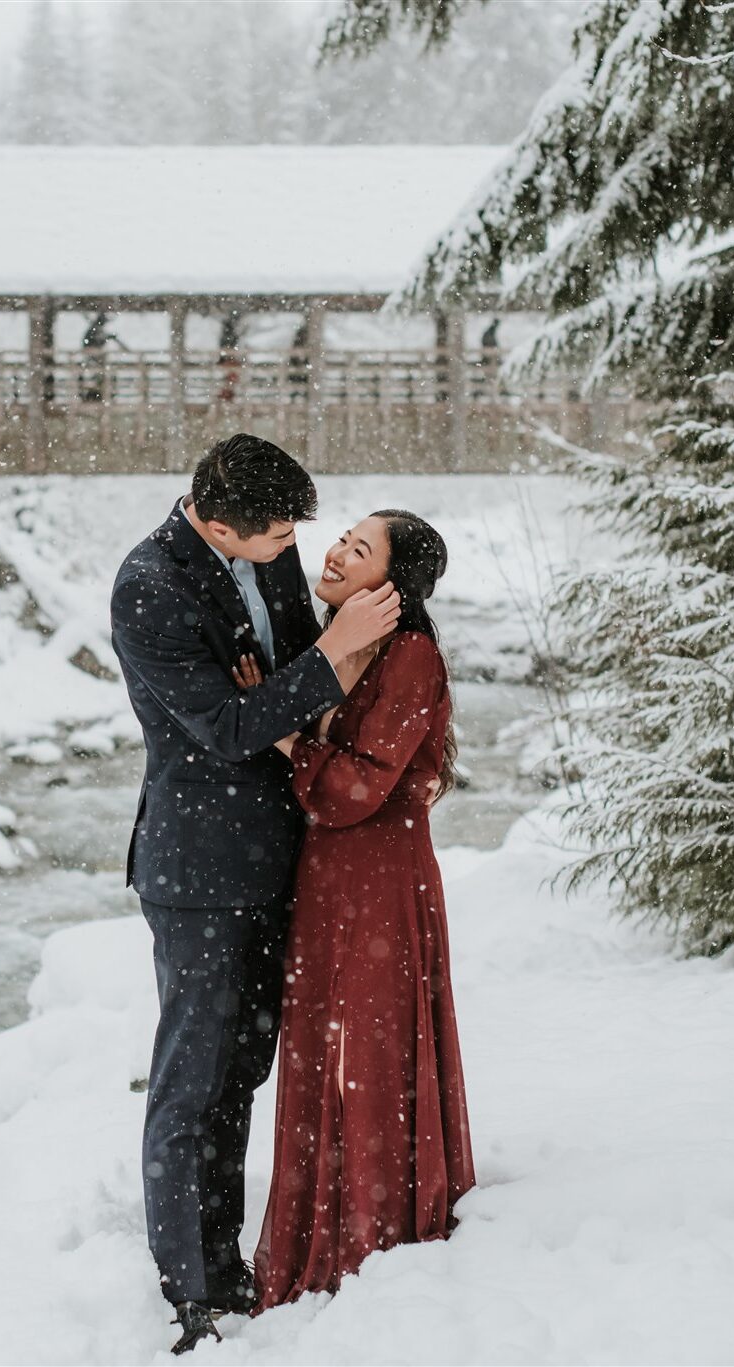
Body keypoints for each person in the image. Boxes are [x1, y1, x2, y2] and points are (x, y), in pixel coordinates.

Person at [109, 433, 402, 1356]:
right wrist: (329, 658)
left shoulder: (264, 555)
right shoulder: (149, 584)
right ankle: (191, 1288)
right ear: (216, 519)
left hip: (285, 852)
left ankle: (230, 1255)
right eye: (277, 534)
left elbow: (282, 686)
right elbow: (230, 726)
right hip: (197, 870)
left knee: (245, 1070)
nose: (292, 550)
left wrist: (307, 676)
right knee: (193, 1080)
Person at [249, 509, 476, 1311]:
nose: (339, 552)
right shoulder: (339, 641)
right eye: (343, 538)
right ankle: (327, 1225)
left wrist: (283, 739)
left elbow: (350, 790)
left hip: (378, 880)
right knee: (325, 1046)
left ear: (392, 583)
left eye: (360, 549)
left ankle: (371, 1233)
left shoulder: (410, 655)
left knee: (367, 1049)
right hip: (330, 877)